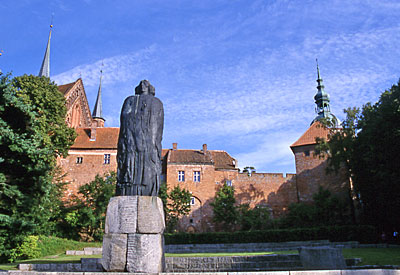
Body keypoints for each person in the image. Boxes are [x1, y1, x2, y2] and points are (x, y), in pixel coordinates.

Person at [116, 80, 164, 196]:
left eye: (146, 84)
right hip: (131, 137)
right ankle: (128, 184)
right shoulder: (130, 100)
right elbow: (124, 117)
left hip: (148, 139)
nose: (143, 86)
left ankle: (146, 186)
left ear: (150, 88)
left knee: (148, 162)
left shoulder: (156, 102)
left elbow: (158, 124)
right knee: (130, 160)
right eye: (141, 84)